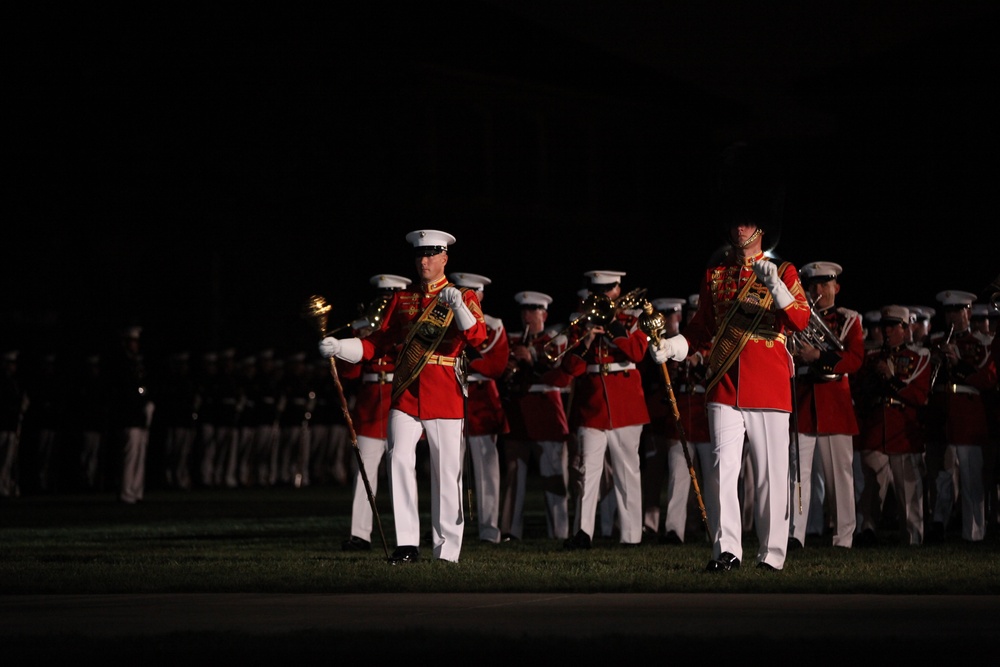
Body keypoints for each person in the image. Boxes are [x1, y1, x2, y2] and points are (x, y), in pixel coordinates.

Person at [649, 142, 810, 571]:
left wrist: (776, 287)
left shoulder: (786, 272)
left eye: (748, 220)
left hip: (768, 382)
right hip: (724, 382)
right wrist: (675, 347)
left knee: (769, 475)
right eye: (736, 220)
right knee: (722, 469)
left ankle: (773, 554)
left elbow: (799, 320)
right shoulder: (715, 275)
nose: (740, 227)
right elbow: (703, 328)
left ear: (762, 226)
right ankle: (728, 550)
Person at [319, 229, 487, 564]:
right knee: (398, 460)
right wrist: (341, 348)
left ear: (444, 258)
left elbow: (477, 338)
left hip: (444, 392)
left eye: (431, 255)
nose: (424, 261)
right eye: (419, 255)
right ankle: (407, 543)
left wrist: (460, 307)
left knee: (445, 472)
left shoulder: (462, 296)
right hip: (407, 392)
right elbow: (376, 344)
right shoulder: (404, 299)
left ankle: (447, 550)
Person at [555, 269, 650, 549]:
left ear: (618, 291)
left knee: (627, 471)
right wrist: (585, 339)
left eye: (607, 290)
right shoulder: (581, 319)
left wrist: (615, 330)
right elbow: (570, 370)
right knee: (587, 471)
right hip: (592, 404)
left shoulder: (633, 318)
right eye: (597, 291)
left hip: (625, 403)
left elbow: (637, 353)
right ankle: (583, 533)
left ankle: (631, 535)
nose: (602, 296)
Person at [788, 261, 865, 549]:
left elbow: (855, 359)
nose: (819, 291)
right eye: (814, 286)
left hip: (834, 403)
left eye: (825, 285)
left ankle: (843, 538)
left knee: (840, 477)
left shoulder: (849, 319)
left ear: (837, 287)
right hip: (806, 401)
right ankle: (795, 534)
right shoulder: (798, 319)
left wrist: (818, 355)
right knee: (798, 474)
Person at [339, 273, 409, 551]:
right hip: (370, 405)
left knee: (402, 472)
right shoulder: (361, 327)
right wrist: (356, 344)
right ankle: (360, 534)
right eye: (382, 298)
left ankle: (406, 536)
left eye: (390, 298)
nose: (384, 304)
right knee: (364, 473)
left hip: (397, 401)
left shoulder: (405, 327)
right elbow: (351, 374)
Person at [853, 305, 931, 546]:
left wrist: (890, 377)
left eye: (892, 326)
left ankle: (912, 537)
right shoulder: (872, 358)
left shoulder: (919, 358)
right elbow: (859, 393)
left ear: (905, 328)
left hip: (903, 431)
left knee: (908, 490)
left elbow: (919, 396)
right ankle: (867, 531)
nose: (886, 331)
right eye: (884, 326)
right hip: (876, 429)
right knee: (871, 489)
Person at [499, 290, 571, 541]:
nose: (526, 316)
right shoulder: (513, 339)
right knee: (514, 471)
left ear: (544, 314)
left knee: (553, 472)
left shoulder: (555, 339)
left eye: (532, 311)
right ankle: (509, 531)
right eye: (524, 311)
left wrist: (533, 358)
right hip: (518, 409)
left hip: (546, 409)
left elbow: (562, 370)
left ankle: (560, 531)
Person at [639, 296, 710, 544]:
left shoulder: (713, 340)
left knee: (713, 478)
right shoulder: (679, 342)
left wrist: (699, 360)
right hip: (681, 414)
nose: (691, 318)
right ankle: (673, 530)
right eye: (690, 314)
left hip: (705, 416)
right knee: (678, 477)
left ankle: (717, 526)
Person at [926, 289, 991, 543]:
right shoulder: (936, 341)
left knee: (971, 475)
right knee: (943, 475)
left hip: (967, 411)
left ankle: (974, 531)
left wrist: (959, 362)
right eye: (949, 312)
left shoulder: (980, 343)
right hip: (943, 410)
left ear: (969, 312)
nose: (953, 317)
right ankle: (939, 523)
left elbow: (986, 378)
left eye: (958, 311)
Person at [449, 272, 509, 544]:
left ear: (480, 296)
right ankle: (448, 527)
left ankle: (489, 530)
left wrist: (467, 359)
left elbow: (496, 367)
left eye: (471, 292)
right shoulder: (445, 321)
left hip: (482, 398)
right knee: (449, 467)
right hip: (452, 395)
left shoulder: (494, 325)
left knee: (486, 471)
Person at [106, 326, 155, 504]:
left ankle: (136, 490)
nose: (135, 345)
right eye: (132, 341)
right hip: (129, 416)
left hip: (139, 416)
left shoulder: (136, 363)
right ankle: (126, 491)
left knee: (140, 454)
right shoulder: (122, 363)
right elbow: (124, 391)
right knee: (130, 455)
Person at [0, 350, 27, 498]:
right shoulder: (3, 382)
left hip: (10, 426)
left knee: (8, 460)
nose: (12, 367)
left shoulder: (14, 383)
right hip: (3, 426)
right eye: (10, 364)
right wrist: (17, 407)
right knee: (2, 459)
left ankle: (5, 486)